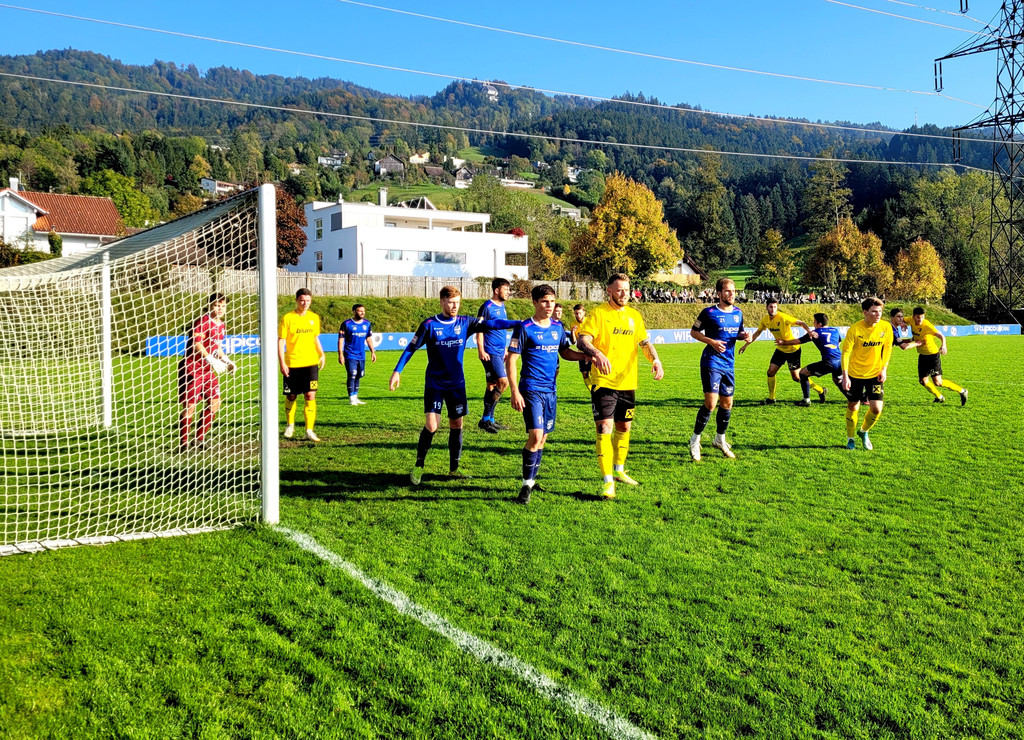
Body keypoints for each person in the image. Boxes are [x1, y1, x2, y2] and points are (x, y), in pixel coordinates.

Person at [391, 286, 518, 485]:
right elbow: (411, 348)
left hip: (457, 384)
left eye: (457, 302)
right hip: (435, 383)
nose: (454, 306)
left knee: (456, 425)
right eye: (450, 302)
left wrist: (519, 323)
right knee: (432, 426)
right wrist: (397, 371)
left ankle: (454, 470)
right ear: (441, 302)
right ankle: (418, 466)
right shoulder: (430, 324)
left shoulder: (465, 322)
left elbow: (494, 324)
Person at [576, 273, 664, 499]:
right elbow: (582, 340)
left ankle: (619, 471)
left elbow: (644, 342)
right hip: (604, 381)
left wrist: (655, 359)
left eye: (627, 290)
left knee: (624, 428)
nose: (624, 294)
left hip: (628, 382)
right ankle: (607, 482)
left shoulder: (635, 316)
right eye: (619, 290)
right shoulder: (598, 314)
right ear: (609, 291)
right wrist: (596, 353)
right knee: (604, 428)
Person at [506, 285, 587, 504]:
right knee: (535, 436)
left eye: (551, 301)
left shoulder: (558, 327)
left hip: (551, 390)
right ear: (534, 303)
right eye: (544, 301)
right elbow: (511, 359)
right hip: (531, 389)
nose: (549, 305)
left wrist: (586, 357)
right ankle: (525, 486)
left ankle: (532, 481)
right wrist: (514, 391)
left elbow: (565, 352)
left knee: (543, 438)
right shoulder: (524, 328)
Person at [688, 278, 751, 461]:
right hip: (711, 362)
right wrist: (711, 341)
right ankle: (695, 439)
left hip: (728, 364)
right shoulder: (709, 312)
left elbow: (737, 333)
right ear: (719, 293)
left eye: (733, 291)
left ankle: (719, 439)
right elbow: (694, 332)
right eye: (728, 291)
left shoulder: (738, 313)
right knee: (711, 403)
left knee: (727, 404)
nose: (732, 294)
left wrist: (744, 335)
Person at [178, 293, 235, 452]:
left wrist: (227, 361)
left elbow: (217, 348)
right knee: (190, 406)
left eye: (223, 306)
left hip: (207, 369)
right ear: (210, 305)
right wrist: (210, 358)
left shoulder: (221, 325)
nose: (220, 309)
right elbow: (197, 344)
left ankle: (199, 439)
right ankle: (183, 444)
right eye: (217, 305)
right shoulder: (202, 321)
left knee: (215, 402)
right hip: (191, 367)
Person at [840, 296, 894, 451]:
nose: (878, 315)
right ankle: (850, 438)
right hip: (855, 375)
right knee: (853, 406)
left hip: (875, 374)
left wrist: (884, 368)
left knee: (876, 408)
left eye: (880, 312)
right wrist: (845, 376)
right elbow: (845, 353)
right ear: (865, 312)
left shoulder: (885, 327)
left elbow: (888, 348)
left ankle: (864, 431)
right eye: (874, 312)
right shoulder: (855, 329)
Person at [739, 298, 812, 404]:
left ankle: (820, 389)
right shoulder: (765, 320)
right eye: (770, 307)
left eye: (775, 307)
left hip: (793, 349)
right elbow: (758, 333)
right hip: (780, 349)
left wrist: (809, 331)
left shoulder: (783, 317)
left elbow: (801, 322)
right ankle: (771, 398)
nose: (773, 309)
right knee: (770, 372)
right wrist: (746, 345)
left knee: (796, 377)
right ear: (766, 307)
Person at [278, 288, 326, 442]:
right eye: (302, 300)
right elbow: (281, 341)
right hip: (292, 363)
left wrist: (322, 354)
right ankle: (290, 425)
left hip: (310, 363)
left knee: (310, 395)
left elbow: (315, 338)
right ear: (296, 300)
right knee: (291, 395)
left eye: (308, 300)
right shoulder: (288, 318)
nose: (305, 303)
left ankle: (309, 430)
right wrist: (282, 362)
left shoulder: (314, 317)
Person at [774, 313, 849, 405]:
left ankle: (806, 400)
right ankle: (852, 398)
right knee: (837, 380)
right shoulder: (835, 330)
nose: (813, 324)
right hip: (841, 361)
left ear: (819, 324)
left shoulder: (815, 333)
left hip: (829, 362)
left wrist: (783, 342)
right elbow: (839, 342)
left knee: (802, 373)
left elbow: (798, 341)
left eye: (814, 322)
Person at [905, 306, 969, 405]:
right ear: (913, 316)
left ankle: (962, 391)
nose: (920, 319)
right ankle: (939, 397)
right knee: (923, 381)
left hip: (932, 355)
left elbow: (941, 335)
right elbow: (901, 320)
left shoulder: (927, 325)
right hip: (922, 355)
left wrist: (943, 345)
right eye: (918, 317)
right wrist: (901, 324)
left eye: (922, 317)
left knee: (938, 382)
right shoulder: (910, 320)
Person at [475, 278, 511, 434]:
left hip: (499, 351)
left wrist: (504, 348)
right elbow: (480, 329)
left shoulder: (502, 307)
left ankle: (488, 420)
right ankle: (485, 418)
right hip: (490, 351)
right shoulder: (487, 307)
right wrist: (481, 350)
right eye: (506, 289)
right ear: (497, 290)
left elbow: (501, 329)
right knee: (503, 382)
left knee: (491, 385)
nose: (508, 293)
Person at [338, 303, 377, 405]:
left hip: (361, 355)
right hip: (350, 354)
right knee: (352, 374)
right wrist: (340, 354)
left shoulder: (367, 324)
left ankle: (355, 397)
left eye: (363, 311)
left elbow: (368, 338)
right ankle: (351, 399)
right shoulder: (346, 324)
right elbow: (341, 339)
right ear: (354, 311)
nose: (362, 313)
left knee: (359, 375)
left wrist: (373, 351)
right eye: (360, 311)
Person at [569, 303, 592, 386]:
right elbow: (573, 341)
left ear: (584, 313)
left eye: (580, 313)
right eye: (576, 313)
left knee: (595, 374)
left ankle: (598, 393)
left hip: (592, 351)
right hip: (581, 353)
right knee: (585, 374)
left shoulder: (589, 321)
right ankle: (593, 393)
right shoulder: (573, 324)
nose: (578, 315)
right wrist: (572, 332)